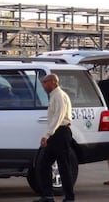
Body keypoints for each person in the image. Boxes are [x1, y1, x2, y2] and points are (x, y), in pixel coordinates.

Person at [33, 74, 75, 202]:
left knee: (64, 166)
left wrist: (47, 134)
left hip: (61, 133)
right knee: (44, 164)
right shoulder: (53, 96)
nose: (43, 86)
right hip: (55, 134)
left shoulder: (60, 96)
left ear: (53, 82)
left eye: (45, 83)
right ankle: (48, 195)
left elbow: (59, 117)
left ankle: (69, 197)